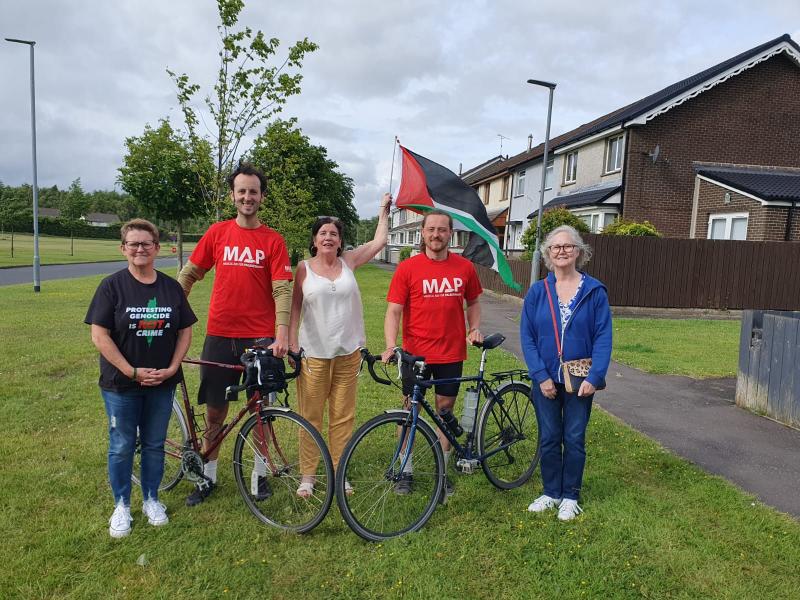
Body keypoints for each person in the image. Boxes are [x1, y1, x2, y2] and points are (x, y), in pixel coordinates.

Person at [177, 163, 293, 506]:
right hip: (219, 334)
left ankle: (259, 477)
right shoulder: (218, 233)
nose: (247, 197)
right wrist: (171, 309)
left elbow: (283, 290)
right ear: (233, 195)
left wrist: (282, 333)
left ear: (262, 197)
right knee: (216, 411)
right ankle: (207, 477)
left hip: (259, 339)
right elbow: (190, 273)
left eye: (253, 191)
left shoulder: (273, 240)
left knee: (260, 411)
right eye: (241, 191)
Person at [86, 219, 197, 538]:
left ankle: (151, 499)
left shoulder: (170, 287)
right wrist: (130, 370)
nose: (139, 249)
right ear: (123, 249)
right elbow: (100, 335)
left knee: (153, 444)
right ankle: (121, 505)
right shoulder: (111, 286)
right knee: (121, 445)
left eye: (146, 244)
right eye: (133, 244)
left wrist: (174, 366)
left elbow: (185, 329)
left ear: (157, 248)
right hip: (121, 385)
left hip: (162, 382)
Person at [288, 194, 390, 497]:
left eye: (334, 233)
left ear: (340, 240)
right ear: (315, 240)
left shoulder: (350, 262)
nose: (329, 237)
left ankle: (338, 470)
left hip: (348, 354)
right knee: (311, 416)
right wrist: (292, 345)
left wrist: (384, 209)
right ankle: (308, 475)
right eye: (323, 233)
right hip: (313, 356)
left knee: (343, 417)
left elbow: (379, 241)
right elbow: (294, 310)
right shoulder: (303, 269)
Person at [381, 210, 483, 498]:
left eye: (442, 230)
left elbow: (473, 301)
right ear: (422, 233)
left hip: (451, 353)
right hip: (416, 354)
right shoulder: (408, 268)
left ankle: (441, 473)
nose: (436, 235)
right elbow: (394, 310)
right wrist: (391, 344)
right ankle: (405, 470)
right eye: (431, 229)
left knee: (444, 413)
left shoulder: (464, 267)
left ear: (450, 233)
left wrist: (474, 327)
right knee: (408, 413)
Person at [520, 225, 612, 521]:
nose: (562, 251)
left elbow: (603, 336)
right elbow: (527, 336)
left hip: (579, 381)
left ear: (579, 252)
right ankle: (551, 492)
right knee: (548, 437)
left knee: (573, 438)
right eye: (556, 247)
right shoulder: (537, 291)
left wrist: (594, 377)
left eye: (568, 246)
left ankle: (570, 495)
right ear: (547, 254)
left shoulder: (595, 291)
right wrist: (541, 376)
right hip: (545, 379)